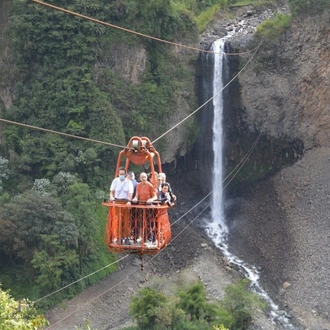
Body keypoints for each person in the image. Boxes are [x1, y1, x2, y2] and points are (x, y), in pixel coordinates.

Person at [109, 167, 134, 244]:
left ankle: (126, 237)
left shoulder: (128, 182)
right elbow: (111, 191)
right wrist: (112, 198)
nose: (121, 175)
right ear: (118, 174)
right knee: (118, 220)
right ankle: (119, 237)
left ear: (125, 174)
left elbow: (130, 193)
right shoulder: (115, 181)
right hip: (117, 201)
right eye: (120, 174)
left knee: (126, 220)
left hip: (125, 202)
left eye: (123, 174)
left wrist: (129, 201)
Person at [132, 172, 158, 247]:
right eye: (142, 177)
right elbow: (137, 194)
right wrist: (135, 198)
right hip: (140, 206)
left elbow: (155, 196)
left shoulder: (150, 185)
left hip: (148, 207)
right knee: (140, 222)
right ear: (140, 178)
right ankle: (142, 237)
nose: (144, 179)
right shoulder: (138, 185)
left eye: (145, 177)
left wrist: (151, 199)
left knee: (149, 222)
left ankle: (149, 239)